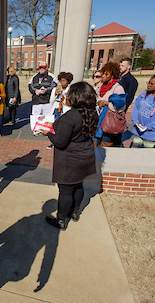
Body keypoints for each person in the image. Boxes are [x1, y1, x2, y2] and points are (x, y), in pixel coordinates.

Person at [41, 82, 98, 230]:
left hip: (70, 159)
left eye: (68, 93)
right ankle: (75, 212)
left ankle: (61, 220)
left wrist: (49, 134)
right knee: (79, 185)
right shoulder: (92, 113)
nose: (66, 96)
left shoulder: (70, 117)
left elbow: (60, 142)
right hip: (85, 155)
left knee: (66, 191)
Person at [96, 62, 126, 147]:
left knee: (104, 145)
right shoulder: (102, 86)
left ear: (112, 75)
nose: (103, 76)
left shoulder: (117, 88)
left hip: (109, 122)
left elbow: (121, 108)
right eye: (103, 74)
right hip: (99, 120)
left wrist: (106, 103)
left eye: (106, 74)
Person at [47, 72, 73, 149]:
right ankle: (54, 142)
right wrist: (55, 95)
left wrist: (63, 98)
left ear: (68, 82)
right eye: (61, 80)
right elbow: (51, 102)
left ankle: (61, 143)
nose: (62, 83)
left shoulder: (70, 91)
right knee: (54, 127)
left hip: (64, 111)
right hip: (55, 110)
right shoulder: (56, 89)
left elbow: (69, 104)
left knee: (62, 128)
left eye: (64, 81)